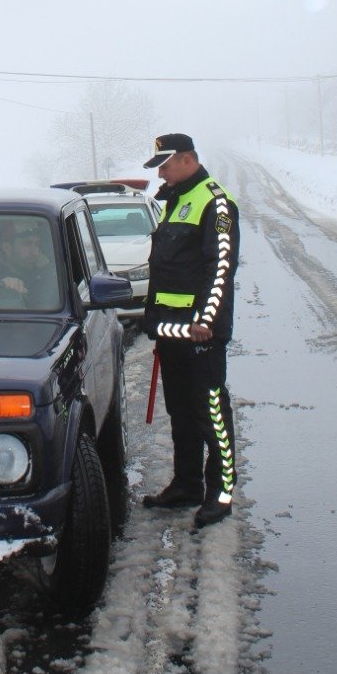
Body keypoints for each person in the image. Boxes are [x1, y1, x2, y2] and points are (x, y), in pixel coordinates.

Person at [140, 133, 240, 529]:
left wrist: (208, 320)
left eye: (165, 164)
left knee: (211, 414)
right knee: (180, 413)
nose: (161, 171)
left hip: (200, 335)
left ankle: (221, 493)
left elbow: (220, 268)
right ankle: (186, 485)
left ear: (188, 159)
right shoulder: (176, 199)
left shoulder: (215, 202)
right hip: (172, 332)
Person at [0, 220, 56, 307]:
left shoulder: (46, 272)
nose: (35, 252)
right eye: (27, 244)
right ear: (7, 248)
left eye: (37, 244)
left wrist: (47, 269)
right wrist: (0, 287)